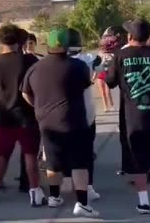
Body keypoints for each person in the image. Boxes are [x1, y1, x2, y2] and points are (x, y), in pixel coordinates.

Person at [21, 28, 99, 217]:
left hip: (47, 123)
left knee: (53, 163)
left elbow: (25, 92)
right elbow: (86, 85)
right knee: (80, 163)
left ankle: (54, 197)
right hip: (74, 121)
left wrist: (39, 108)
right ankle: (82, 203)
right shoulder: (78, 66)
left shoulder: (35, 67)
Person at [106, 19, 150, 214]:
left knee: (137, 160)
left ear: (130, 36)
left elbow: (110, 81)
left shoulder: (121, 56)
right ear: (148, 36)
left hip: (133, 118)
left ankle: (144, 202)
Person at [0, 24, 45, 206]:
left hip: (4, 115)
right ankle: (35, 192)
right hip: (27, 115)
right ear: (20, 41)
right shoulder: (30, 60)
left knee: (0, 155)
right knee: (30, 155)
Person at [65, 28, 102, 200]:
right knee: (86, 153)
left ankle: (64, 186)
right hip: (86, 114)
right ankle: (88, 187)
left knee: (64, 152)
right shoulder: (88, 59)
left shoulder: (56, 61)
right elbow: (100, 63)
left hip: (62, 114)